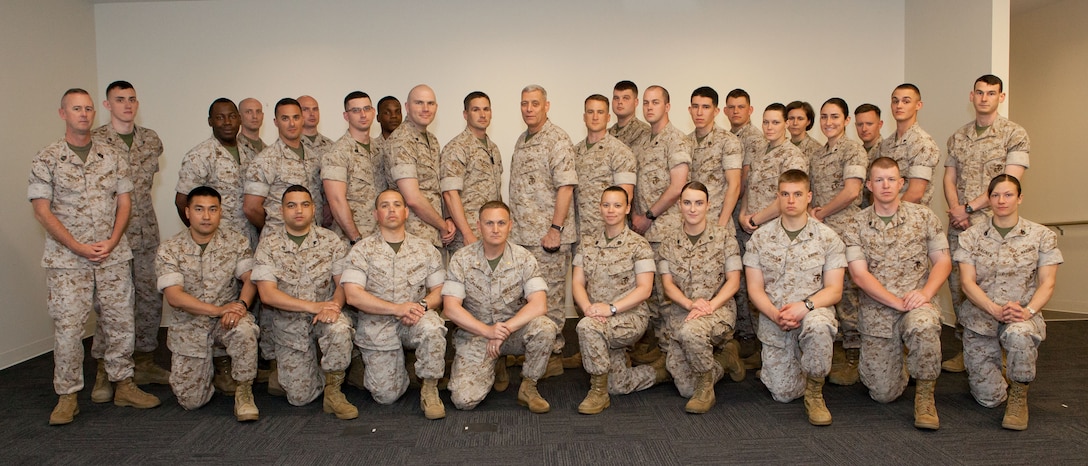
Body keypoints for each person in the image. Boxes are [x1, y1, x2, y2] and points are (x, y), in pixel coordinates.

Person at [30, 88, 160, 425]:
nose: (84, 115)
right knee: (69, 329)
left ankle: (124, 384)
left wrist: (115, 239)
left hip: (112, 256)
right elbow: (42, 211)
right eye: (76, 109)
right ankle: (68, 395)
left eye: (87, 109)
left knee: (120, 324)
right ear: (63, 114)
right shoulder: (47, 158)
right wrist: (76, 245)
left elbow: (125, 202)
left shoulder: (112, 155)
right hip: (67, 261)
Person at [843, 157, 950, 430]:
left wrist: (925, 294)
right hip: (878, 311)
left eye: (891, 179)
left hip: (917, 303)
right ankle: (899, 362)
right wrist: (895, 302)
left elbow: (943, 262)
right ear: (869, 185)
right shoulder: (855, 224)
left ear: (902, 183)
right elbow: (858, 274)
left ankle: (925, 396)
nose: (886, 185)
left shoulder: (923, 216)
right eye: (879, 180)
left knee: (924, 326)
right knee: (883, 394)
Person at [955, 174, 1060, 431]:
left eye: (1008, 194)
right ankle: (1000, 370)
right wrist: (992, 308)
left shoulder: (1041, 235)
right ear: (989, 200)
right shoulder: (971, 236)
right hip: (982, 318)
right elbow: (967, 282)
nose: (1001, 200)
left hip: (1021, 316)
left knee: (1019, 336)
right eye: (995, 195)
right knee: (988, 399)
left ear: (1020, 198)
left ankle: (1019, 395)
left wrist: (1028, 311)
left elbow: (1048, 283)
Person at [941, 74, 1031, 373]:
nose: (984, 98)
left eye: (991, 93)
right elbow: (950, 177)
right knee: (960, 287)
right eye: (979, 93)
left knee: (996, 286)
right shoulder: (958, 136)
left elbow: (1011, 179)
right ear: (971, 96)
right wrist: (956, 209)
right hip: (961, 227)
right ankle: (968, 347)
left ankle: (1002, 352)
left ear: (1000, 97)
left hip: (996, 225)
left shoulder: (1014, 134)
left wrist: (969, 207)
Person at [744, 169, 845, 426]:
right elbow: (754, 288)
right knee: (784, 394)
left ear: (809, 197)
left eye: (798, 194)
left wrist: (805, 306)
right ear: (778, 197)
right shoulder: (760, 238)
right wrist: (774, 314)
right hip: (774, 318)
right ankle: (796, 366)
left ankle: (815, 391)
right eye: (785, 194)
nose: (791, 200)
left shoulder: (827, 238)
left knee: (820, 325)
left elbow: (834, 290)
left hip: (812, 311)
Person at [251, 185, 357, 419]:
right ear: (281, 210)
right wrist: (313, 306)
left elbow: (342, 284)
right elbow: (267, 295)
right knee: (301, 398)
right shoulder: (268, 245)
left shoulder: (331, 241)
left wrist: (335, 307)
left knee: (340, 329)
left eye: (305, 204)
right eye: (291, 205)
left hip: (326, 316)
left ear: (313, 209)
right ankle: (307, 371)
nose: (299, 210)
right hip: (290, 324)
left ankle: (334, 390)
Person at [341, 190, 447, 419]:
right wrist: (397, 308)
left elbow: (440, 291)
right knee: (387, 396)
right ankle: (370, 367)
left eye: (397, 205)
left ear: (406, 212)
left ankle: (429, 388)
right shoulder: (361, 250)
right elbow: (352, 296)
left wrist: (421, 305)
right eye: (385, 206)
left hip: (416, 316)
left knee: (433, 327)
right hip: (377, 324)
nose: (391, 210)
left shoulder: (425, 248)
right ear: (375, 214)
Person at [91, 80, 171, 387]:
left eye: (132, 99)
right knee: (111, 303)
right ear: (107, 105)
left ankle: (144, 361)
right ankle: (104, 369)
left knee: (149, 297)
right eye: (120, 99)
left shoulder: (151, 140)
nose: (128, 105)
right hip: (110, 234)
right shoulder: (96, 141)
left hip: (146, 232)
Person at [157, 186, 260, 422]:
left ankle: (244, 391)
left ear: (220, 212)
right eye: (199, 209)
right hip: (190, 326)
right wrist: (217, 309)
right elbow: (174, 296)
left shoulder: (236, 241)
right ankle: (214, 367)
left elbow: (250, 279)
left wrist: (241, 306)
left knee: (244, 330)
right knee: (192, 402)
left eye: (213, 209)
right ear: (187, 212)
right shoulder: (170, 249)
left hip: (227, 320)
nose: (206, 216)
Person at [443, 201, 557, 413]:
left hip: (512, 332)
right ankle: (496, 364)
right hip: (476, 333)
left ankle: (529, 387)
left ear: (510, 225)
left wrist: (504, 330)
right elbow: (450, 308)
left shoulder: (524, 258)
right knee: (463, 400)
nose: (495, 229)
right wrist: (488, 331)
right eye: (489, 223)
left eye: (501, 223)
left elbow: (539, 304)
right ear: (479, 226)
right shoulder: (462, 259)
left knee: (545, 327)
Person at [572, 187, 662, 414]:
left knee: (586, 328)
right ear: (600, 208)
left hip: (629, 316)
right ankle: (660, 371)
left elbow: (645, 289)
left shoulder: (639, 245)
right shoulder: (588, 243)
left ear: (627, 208)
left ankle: (597, 393)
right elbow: (577, 284)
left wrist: (610, 309)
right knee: (618, 385)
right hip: (598, 317)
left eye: (617, 205)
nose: (611, 210)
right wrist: (588, 309)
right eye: (606, 205)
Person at [509, 84, 578, 376]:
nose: (529, 109)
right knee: (528, 297)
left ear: (546, 106)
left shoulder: (557, 139)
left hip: (548, 238)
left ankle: (553, 356)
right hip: (523, 237)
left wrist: (555, 228)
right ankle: (533, 349)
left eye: (535, 103)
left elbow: (565, 187)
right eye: (524, 103)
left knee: (550, 298)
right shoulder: (523, 140)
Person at [658, 182, 745, 414]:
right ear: (679, 205)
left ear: (708, 205)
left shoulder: (724, 238)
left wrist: (710, 306)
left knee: (692, 333)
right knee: (686, 386)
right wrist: (689, 304)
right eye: (687, 203)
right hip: (682, 311)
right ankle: (726, 361)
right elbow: (668, 285)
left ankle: (706, 387)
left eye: (699, 203)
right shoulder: (668, 242)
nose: (693, 209)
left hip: (718, 309)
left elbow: (734, 281)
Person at [629, 85, 693, 363]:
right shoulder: (643, 142)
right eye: (646, 102)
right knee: (651, 295)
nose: (649, 107)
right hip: (643, 231)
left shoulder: (675, 140)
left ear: (667, 106)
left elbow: (678, 186)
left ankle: (672, 356)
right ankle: (660, 348)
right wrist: (634, 216)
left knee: (668, 295)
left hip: (666, 231)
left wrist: (648, 216)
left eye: (655, 102)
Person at [808, 98, 867, 385]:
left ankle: (854, 353)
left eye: (834, 117)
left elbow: (852, 191)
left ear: (846, 120)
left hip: (844, 229)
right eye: (824, 117)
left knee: (847, 294)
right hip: (820, 232)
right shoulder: (818, 155)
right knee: (825, 290)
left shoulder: (853, 149)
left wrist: (821, 212)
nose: (828, 122)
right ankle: (833, 349)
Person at [175, 98, 259, 247]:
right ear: (210, 121)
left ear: (239, 119)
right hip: (217, 244)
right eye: (220, 118)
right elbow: (182, 202)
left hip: (250, 241)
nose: (227, 122)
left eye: (232, 116)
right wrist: (201, 236)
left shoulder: (251, 152)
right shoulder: (199, 156)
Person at [724, 88, 767, 362]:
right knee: (734, 280)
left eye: (741, 106)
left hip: (748, 219)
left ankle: (753, 339)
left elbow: (745, 181)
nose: (736, 111)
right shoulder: (728, 138)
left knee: (752, 279)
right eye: (731, 107)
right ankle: (740, 335)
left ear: (750, 110)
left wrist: (743, 212)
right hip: (732, 219)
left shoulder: (756, 139)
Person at [385, 85, 454, 248]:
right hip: (412, 237)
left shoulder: (431, 140)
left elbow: (435, 187)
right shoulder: (402, 141)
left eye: (430, 104)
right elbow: (413, 198)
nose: (425, 109)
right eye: (419, 103)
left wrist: (447, 219)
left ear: (436, 107)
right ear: (407, 107)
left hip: (433, 234)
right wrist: (443, 226)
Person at [243, 97, 326, 234]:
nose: (292, 124)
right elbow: (251, 208)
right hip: (279, 241)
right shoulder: (265, 160)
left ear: (302, 119)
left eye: (296, 117)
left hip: (313, 239)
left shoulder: (314, 157)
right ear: (276, 122)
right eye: (285, 119)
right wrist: (274, 228)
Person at [441, 91, 504, 252]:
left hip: (492, 233)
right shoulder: (456, 148)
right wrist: (467, 233)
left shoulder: (493, 148)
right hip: (467, 235)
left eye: (486, 109)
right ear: (465, 114)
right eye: (476, 110)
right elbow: (449, 194)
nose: (482, 114)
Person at [323, 90, 387, 244]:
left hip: (382, 239)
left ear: (373, 112)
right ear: (346, 116)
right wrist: (356, 239)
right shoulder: (337, 153)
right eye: (356, 110)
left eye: (366, 109)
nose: (363, 115)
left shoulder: (381, 149)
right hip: (351, 242)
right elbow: (337, 201)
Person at [739, 103, 809, 236]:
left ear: (786, 124)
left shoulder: (792, 156)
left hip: (775, 232)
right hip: (751, 231)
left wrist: (754, 221)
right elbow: (749, 188)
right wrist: (742, 217)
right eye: (765, 122)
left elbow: (788, 198)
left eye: (775, 122)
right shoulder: (759, 153)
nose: (769, 127)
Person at [574, 94, 636, 242]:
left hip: (608, 236)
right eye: (590, 112)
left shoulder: (621, 152)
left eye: (600, 112)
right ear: (584, 117)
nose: (595, 117)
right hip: (579, 236)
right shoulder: (574, 152)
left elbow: (626, 196)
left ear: (608, 117)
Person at [869, 84, 939, 205]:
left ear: (918, 105)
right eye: (895, 101)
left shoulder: (923, 143)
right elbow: (874, 188)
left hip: (912, 218)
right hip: (882, 217)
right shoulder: (885, 145)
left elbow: (916, 193)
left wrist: (890, 216)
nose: (899, 105)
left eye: (906, 101)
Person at [687, 86, 743, 231]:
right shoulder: (684, 142)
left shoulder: (728, 141)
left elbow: (734, 185)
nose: (699, 112)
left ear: (716, 111)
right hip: (689, 224)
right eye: (695, 107)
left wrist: (721, 226)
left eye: (705, 107)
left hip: (716, 222)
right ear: (689, 110)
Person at [609, 80, 650, 149]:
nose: (620, 102)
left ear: (636, 102)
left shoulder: (645, 132)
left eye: (625, 98)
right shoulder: (607, 134)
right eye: (616, 98)